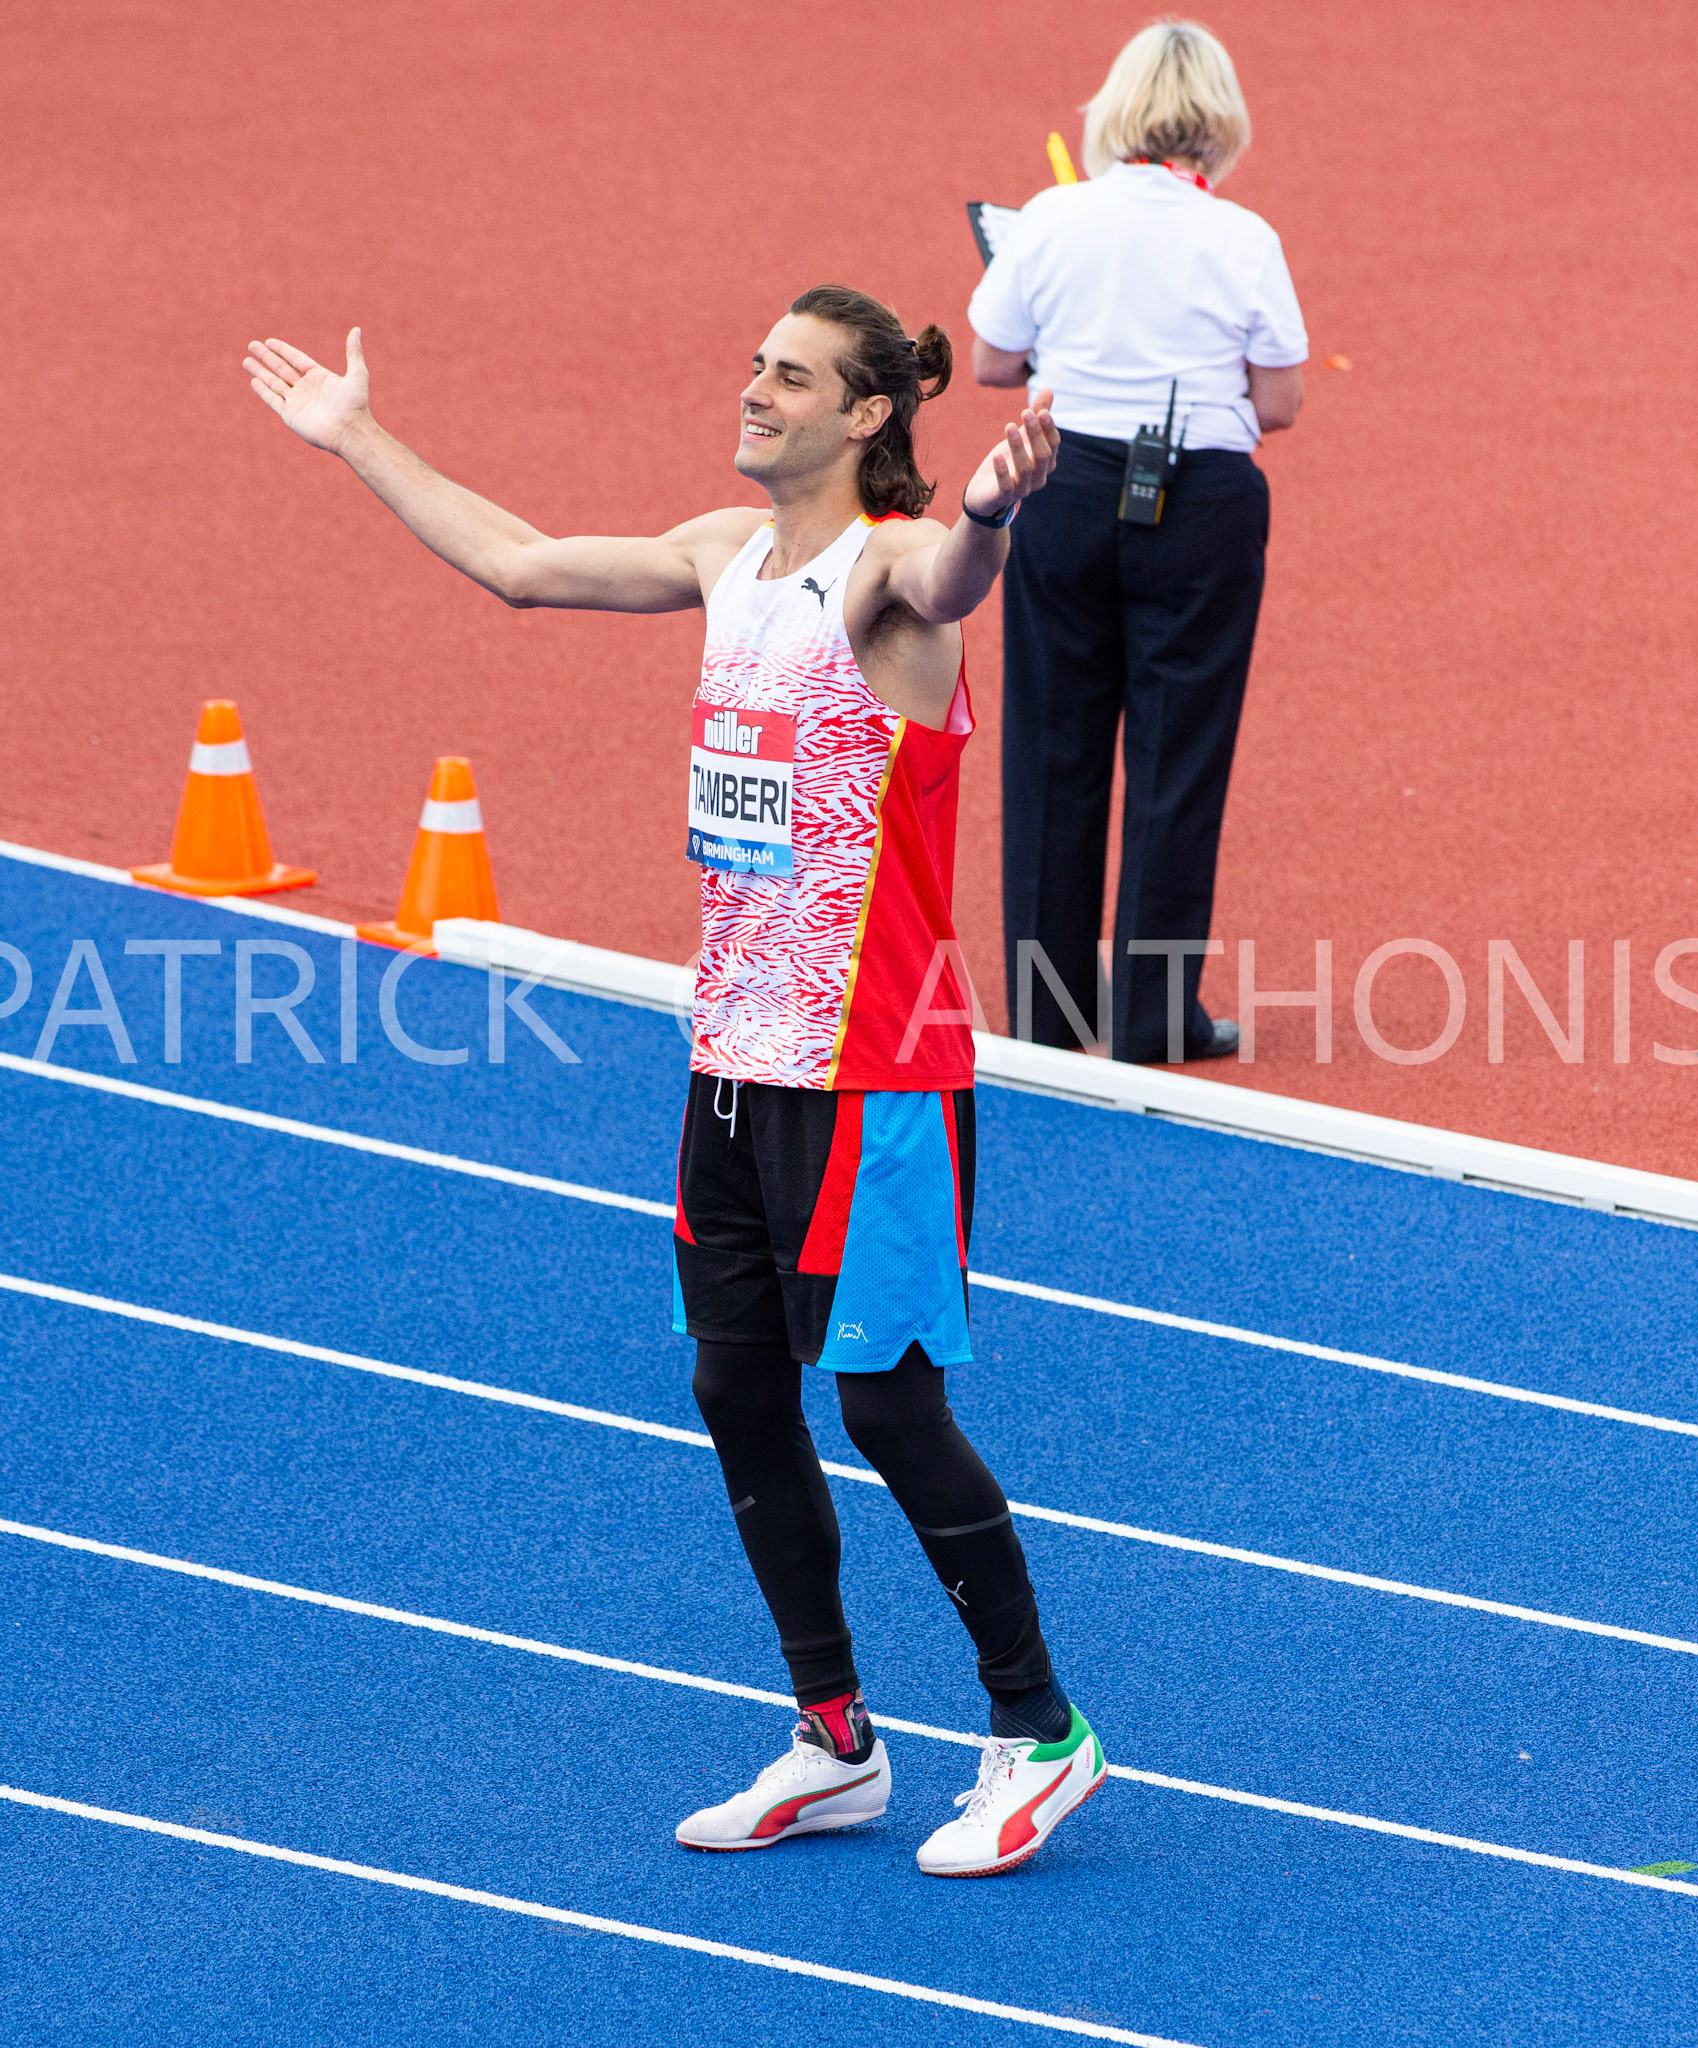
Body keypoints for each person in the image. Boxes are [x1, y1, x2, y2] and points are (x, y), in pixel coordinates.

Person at [242, 284, 1105, 1878]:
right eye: (755, 365)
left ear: (864, 417)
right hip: (732, 1058)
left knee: (888, 1406)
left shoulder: (885, 585)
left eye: (791, 376)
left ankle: (1039, 1732)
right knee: (732, 1389)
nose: (756, 389)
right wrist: (357, 436)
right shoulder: (726, 553)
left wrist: (991, 503)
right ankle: (834, 1738)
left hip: (873, 1073)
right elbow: (517, 567)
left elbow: (955, 565)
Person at [969, 20, 1309, 1065]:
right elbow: (1283, 400)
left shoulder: (1056, 220)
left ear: (1114, 111)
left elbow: (991, 361)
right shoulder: (1242, 236)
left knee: (1050, 749)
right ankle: (1157, 1019)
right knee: (1177, 755)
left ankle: (1049, 1016)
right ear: (1220, 123)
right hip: (1197, 497)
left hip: (1063, 485)